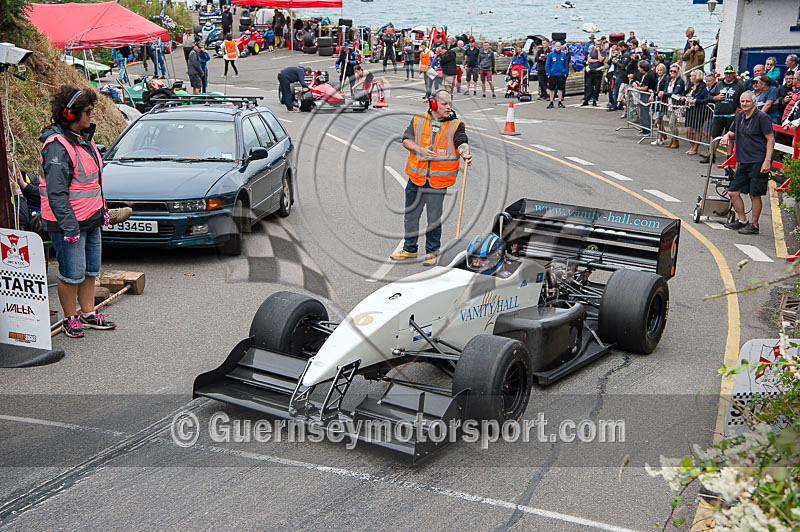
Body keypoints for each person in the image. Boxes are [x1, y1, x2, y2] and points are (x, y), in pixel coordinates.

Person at [40, 86, 116, 338]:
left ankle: (88, 313)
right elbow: (56, 192)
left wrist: (101, 210)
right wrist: (69, 226)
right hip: (68, 223)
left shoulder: (85, 139)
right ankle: (70, 318)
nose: (92, 114)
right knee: (70, 274)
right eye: (87, 111)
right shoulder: (57, 147)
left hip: (91, 218)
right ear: (70, 115)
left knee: (90, 270)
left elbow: (92, 182)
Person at [390, 89, 472, 266]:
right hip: (417, 177)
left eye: (450, 103)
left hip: (437, 181)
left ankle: (432, 252)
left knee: (433, 218)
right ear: (433, 104)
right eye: (444, 104)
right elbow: (406, 140)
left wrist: (465, 153)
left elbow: (461, 142)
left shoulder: (456, 125)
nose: (449, 107)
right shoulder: (419, 120)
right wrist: (419, 150)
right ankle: (410, 249)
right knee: (411, 215)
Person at [721, 91, 775, 235]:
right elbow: (732, 132)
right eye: (742, 101)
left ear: (754, 102)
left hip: (758, 160)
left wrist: (767, 161)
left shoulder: (762, 117)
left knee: (754, 194)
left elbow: (770, 139)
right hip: (743, 161)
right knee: (733, 192)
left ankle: (754, 224)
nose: (744, 104)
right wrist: (726, 136)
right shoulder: (739, 116)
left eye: (747, 101)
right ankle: (742, 220)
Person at [700, 65, 744, 164]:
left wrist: (737, 109)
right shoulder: (719, 84)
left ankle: (728, 157)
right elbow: (710, 96)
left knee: (730, 137)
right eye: (727, 74)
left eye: (730, 74)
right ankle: (711, 155)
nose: (728, 76)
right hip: (718, 115)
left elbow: (742, 99)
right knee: (714, 135)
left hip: (731, 115)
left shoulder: (739, 85)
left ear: (734, 74)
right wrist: (716, 98)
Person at [682, 70, 709, 155]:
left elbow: (699, 97)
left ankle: (695, 148)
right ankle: (692, 146)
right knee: (687, 130)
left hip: (698, 110)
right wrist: (682, 97)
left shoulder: (702, 86)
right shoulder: (691, 85)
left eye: (692, 76)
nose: (690, 78)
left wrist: (690, 99)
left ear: (696, 76)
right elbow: (685, 93)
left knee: (697, 130)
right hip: (690, 109)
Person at [633, 59, 657, 135]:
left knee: (644, 113)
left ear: (643, 68)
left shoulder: (648, 75)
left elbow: (645, 88)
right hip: (645, 94)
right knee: (643, 113)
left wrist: (636, 87)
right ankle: (644, 129)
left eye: (639, 67)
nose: (638, 69)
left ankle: (646, 130)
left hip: (646, 95)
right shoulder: (647, 74)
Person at [545, 41, 568, 108]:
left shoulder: (563, 54)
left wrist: (566, 73)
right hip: (552, 74)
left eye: (559, 46)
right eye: (557, 46)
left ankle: (560, 102)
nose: (558, 48)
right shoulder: (551, 55)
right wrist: (548, 73)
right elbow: (547, 64)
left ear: (561, 47)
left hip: (561, 74)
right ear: (555, 47)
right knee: (552, 89)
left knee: (560, 89)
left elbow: (566, 64)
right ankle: (551, 102)